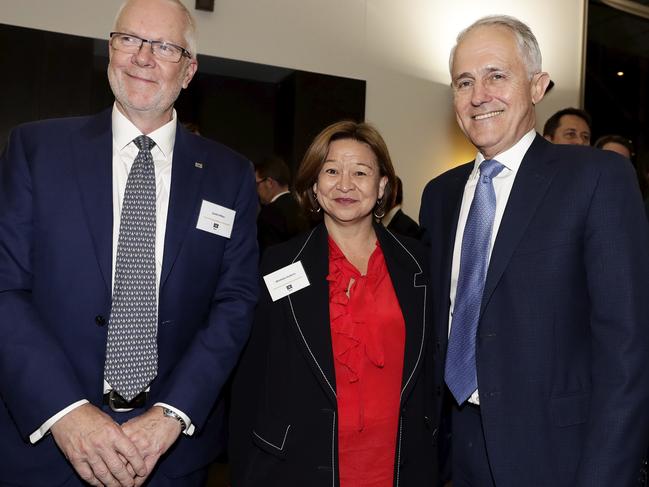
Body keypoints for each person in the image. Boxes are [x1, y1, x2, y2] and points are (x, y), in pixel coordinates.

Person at [0, 0, 258, 485]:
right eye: (129, 39)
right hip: (47, 447)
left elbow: (235, 302)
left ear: (189, 70)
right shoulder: (37, 151)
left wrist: (171, 415)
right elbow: (5, 288)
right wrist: (66, 412)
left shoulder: (229, 176)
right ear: (111, 49)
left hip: (170, 455)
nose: (142, 57)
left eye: (164, 46)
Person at [419, 15, 649, 487]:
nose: (478, 94)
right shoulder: (439, 195)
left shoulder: (596, 178)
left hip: (558, 456)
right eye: (464, 81)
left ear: (538, 86)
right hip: (456, 451)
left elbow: (626, 350)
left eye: (496, 75)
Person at [230, 121, 438, 487]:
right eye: (331, 171)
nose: (345, 184)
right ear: (314, 184)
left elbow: (433, 377)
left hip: (399, 468)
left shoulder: (418, 263)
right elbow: (251, 380)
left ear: (382, 186)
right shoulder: (278, 264)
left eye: (361, 172)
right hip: (297, 467)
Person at [255, 155, 309, 253]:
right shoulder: (304, 207)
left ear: (269, 183)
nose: (255, 190)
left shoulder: (268, 214)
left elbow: (269, 258)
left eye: (257, 184)